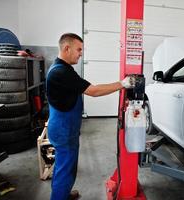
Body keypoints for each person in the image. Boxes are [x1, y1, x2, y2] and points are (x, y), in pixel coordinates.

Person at [46, 33, 135, 200]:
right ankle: (59, 196)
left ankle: (63, 194)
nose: (81, 53)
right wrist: (122, 84)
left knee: (64, 166)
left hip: (65, 127)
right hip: (64, 129)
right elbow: (93, 91)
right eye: (79, 49)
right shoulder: (61, 72)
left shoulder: (61, 68)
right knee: (65, 169)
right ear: (67, 48)